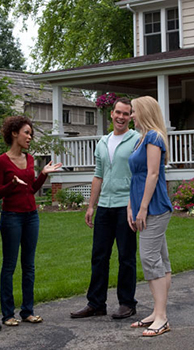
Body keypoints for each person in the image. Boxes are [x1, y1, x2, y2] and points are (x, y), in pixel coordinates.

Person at [70, 97, 140, 320]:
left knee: (126, 257)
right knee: (99, 256)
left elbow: (140, 174)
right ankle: (96, 303)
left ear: (130, 116)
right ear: (112, 113)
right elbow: (98, 175)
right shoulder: (102, 142)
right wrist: (91, 206)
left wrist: (134, 204)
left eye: (126, 114)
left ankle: (127, 303)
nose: (121, 117)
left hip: (125, 207)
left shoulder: (137, 140)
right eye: (118, 112)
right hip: (104, 207)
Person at [0, 116, 62, 326]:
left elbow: (31, 189)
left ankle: (28, 311)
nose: (29, 137)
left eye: (30, 134)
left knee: (29, 265)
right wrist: (12, 184)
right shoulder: (1, 161)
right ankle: (8, 314)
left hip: (31, 216)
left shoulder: (30, 159)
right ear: (14, 133)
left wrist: (42, 174)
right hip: (11, 217)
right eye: (26, 133)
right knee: (9, 266)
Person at [127, 96, 173, 337]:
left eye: (133, 111)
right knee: (160, 260)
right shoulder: (141, 139)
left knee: (149, 259)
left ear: (144, 112)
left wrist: (142, 208)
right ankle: (157, 313)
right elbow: (136, 175)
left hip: (155, 207)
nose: (131, 115)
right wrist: (130, 206)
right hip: (144, 206)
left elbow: (153, 174)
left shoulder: (154, 136)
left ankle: (162, 318)